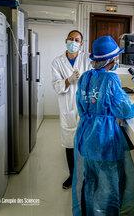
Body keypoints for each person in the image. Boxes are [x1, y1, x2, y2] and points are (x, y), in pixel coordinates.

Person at [72, 36, 134, 216]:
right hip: (104, 137)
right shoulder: (111, 79)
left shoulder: (85, 77)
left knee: (90, 179)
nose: (116, 61)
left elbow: (80, 105)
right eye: (115, 58)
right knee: (108, 185)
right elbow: (124, 110)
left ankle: (89, 212)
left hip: (85, 135)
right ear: (110, 60)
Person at [51, 30, 91, 189]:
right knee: (69, 142)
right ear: (66, 40)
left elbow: (94, 77)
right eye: (71, 39)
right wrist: (69, 80)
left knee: (86, 141)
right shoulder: (57, 62)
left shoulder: (87, 59)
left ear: (81, 43)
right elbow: (56, 85)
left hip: (85, 105)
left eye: (77, 40)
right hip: (67, 105)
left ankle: (86, 175)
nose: (73, 42)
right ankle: (73, 175)